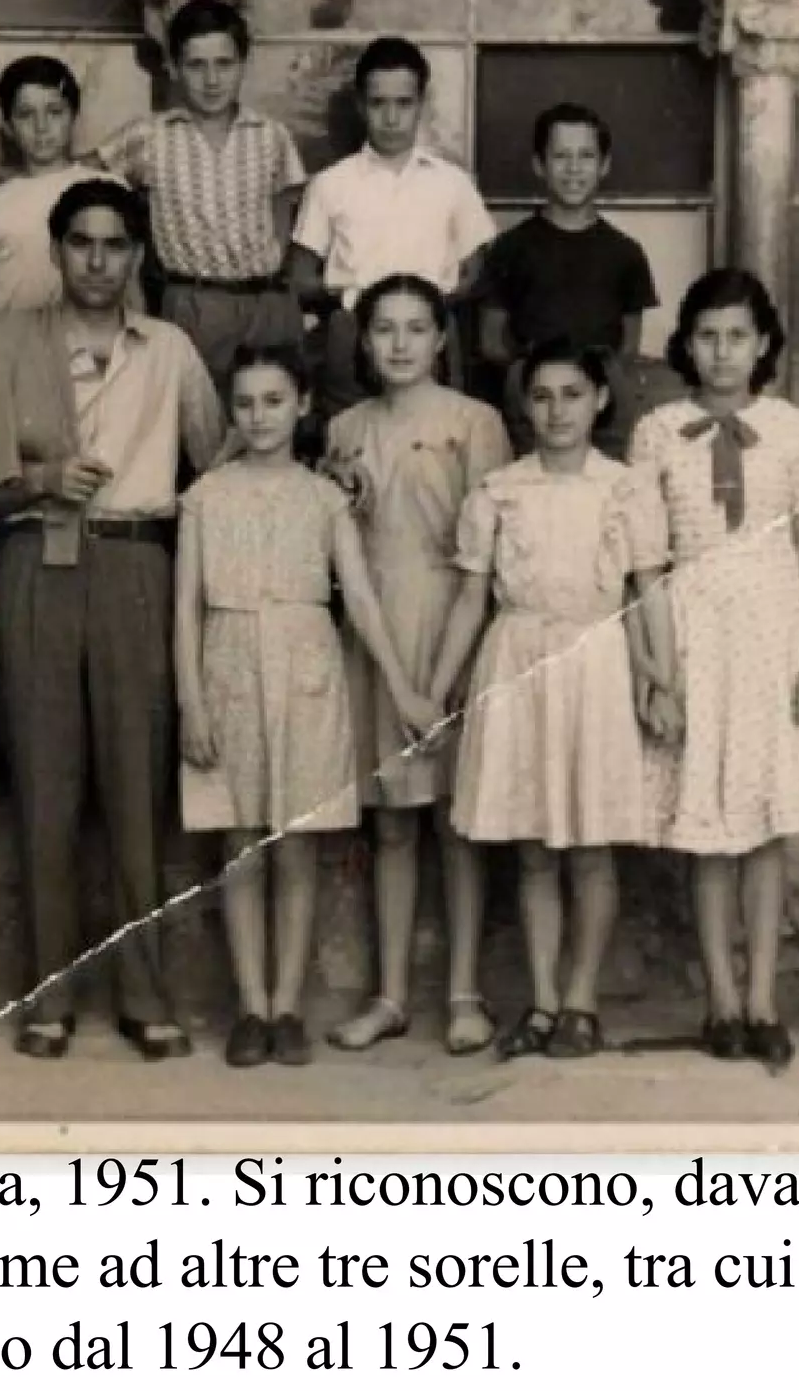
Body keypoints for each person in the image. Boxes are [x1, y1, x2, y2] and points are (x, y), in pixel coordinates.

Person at [0, 178, 227, 1063]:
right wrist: (33, 482)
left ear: (138, 254)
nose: (98, 260)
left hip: (139, 563)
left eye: (115, 244)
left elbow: (216, 466)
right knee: (47, 786)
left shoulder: (171, 349)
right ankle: (49, 994)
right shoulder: (5, 343)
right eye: (81, 243)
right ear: (57, 251)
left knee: (137, 792)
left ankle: (146, 993)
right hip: (36, 564)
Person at [175, 347, 437, 1068]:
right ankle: (250, 1004)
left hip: (305, 663)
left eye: (274, 400)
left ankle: (287, 1004)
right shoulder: (206, 496)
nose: (260, 415)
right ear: (232, 412)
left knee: (296, 841)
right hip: (227, 662)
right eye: (246, 402)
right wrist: (191, 701)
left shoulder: (323, 498)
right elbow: (184, 609)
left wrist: (402, 687)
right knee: (239, 842)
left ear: (303, 406)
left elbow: (359, 597)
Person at [631, 268, 799, 1069]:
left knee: (764, 827)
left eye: (737, 337)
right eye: (707, 336)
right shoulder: (658, 431)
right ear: (685, 344)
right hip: (694, 632)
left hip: (772, 632)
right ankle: (721, 1005)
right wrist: (654, 672)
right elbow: (645, 561)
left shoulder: (791, 429)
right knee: (708, 832)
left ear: (762, 343)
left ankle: (764, 999)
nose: (722, 353)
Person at [427, 339, 672, 1060]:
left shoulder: (624, 488)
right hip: (518, 661)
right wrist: (443, 687)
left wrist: (662, 677)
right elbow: (471, 598)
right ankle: (539, 1000)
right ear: (524, 405)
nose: (557, 410)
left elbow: (647, 591)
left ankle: (581, 1000)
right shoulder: (500, 491)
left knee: (591, 845)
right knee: (534, 846)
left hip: (594, 659)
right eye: (541, 396)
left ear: (600, 399)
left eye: (572, 393)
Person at [323, 273, 512, 1058]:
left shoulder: (477, 422)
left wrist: (439, 678)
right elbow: (342, 550)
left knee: (456, 824)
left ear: (441, 339)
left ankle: (464, 992)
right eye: (384, 329)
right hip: (375, 630)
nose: (399, 344)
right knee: (393, 823)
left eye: (415, 328)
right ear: (364, 342)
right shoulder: (344, 427)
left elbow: (489, 554)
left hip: (453, 625)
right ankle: (392, 994)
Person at [90, 0, 307, 392]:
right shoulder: (148, 136)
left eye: (224, 64)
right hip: (194, 303)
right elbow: (71, 175)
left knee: (273, 422)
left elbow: (284, 214)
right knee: (196, 424)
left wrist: (277, 285)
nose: (212, 80)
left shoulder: (272, 136)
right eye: (196, 65)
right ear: (172, 68)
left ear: (243, 65)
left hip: (269, 303)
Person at [287, 36, 497, 424]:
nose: (391, 117)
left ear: (421, 104)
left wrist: (427, 303)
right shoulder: (331, 183)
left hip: (427, 331)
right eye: (378, 103)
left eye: (404, 103)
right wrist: (350, 290)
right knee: (351, 444)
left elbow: (476, 270)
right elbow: (301, 278)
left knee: (433, 441)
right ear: (360, 105)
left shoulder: (453, 183)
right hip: (354, 333)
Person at [479, 103, 660, 457]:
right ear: (539, 165)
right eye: (561, 156)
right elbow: (490, 340)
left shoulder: (626, 252)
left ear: (604, 165)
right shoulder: (511, 247)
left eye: (586, 156)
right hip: (535, 393)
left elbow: (629, 344)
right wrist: (534, 375)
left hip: (602, 398)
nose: (574, 168)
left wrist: (595, 384)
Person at [0, 55, 98, 354]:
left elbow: (130, 293)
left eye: (54, 112)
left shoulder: (103, 189)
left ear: (74, 116)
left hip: (86, 346)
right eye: (25, 115)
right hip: (10, 346)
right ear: (8, 125)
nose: (41, 127)